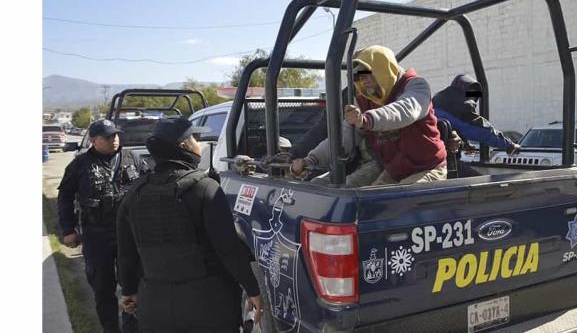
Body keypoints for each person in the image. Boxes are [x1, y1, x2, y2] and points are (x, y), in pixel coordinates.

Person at [116, 117, 263, 332]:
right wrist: (252, 290)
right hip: (208, 306)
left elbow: (126, 253)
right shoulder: (205, 188)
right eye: (195, 138)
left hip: (154, 306)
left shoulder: (134, 194)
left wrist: (129, 291)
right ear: (183, 146)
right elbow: (228, 249)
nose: (200, 144)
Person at [292, 45, 447, 186]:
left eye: (365, 74)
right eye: (358, 77)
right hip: (392, 169)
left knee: (388, 205)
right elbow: (346, 136)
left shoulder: (416, 86)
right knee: (340, 194)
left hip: (426, 168)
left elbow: (406, 110)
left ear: (381, 69)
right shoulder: (364, 100)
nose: (362, 81)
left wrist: (366, 119)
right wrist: (310, 160)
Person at [57, 119, 140, 333]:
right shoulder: (79, 164)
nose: (114, 140)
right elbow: (65, 196)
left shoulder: (132, 158)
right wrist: (68, 230)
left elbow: (147, 189)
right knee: (103, 288)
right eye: (108, 137)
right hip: (96, 235)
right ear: (93, 141)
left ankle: (132, 326)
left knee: (132, 284)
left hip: (128, 234)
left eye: (115, 135)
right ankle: (110, 328)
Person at [432, 74, 521, 156]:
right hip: (442, 160)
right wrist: (509, 145)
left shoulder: (438, 100)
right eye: (471, 94)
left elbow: (454, 128)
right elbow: (480, 130)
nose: (472, 100)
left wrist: (465, 145)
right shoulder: (461, 105)